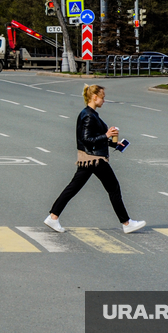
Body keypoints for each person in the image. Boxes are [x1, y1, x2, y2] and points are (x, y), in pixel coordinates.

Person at [44, 84, 146, 234]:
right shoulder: (88, 115)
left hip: (89, 158)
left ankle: (53, 217)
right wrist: (106, 135)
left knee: (73, 188)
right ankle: (127, 223)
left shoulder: (91, 114)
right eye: (103, 97)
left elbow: (94, 137)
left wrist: (113, 142)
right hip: (95, 159)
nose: (104, 100)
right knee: (113, 188)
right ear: (94, 97)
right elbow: (86, 139)